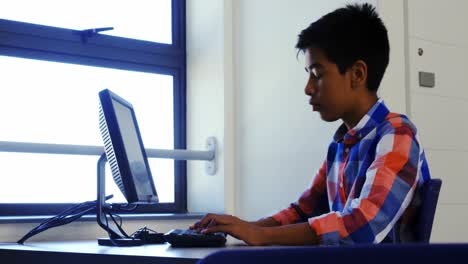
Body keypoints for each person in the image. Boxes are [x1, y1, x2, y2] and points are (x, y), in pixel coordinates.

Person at [191, 3, 431, 246]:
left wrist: (260, 236)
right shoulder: (340, 145)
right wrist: (243, 226)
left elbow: (362, 226)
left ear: (357, 74)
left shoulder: (398, 134)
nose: (307, 88)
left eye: (317, 75)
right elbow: (302, 211)